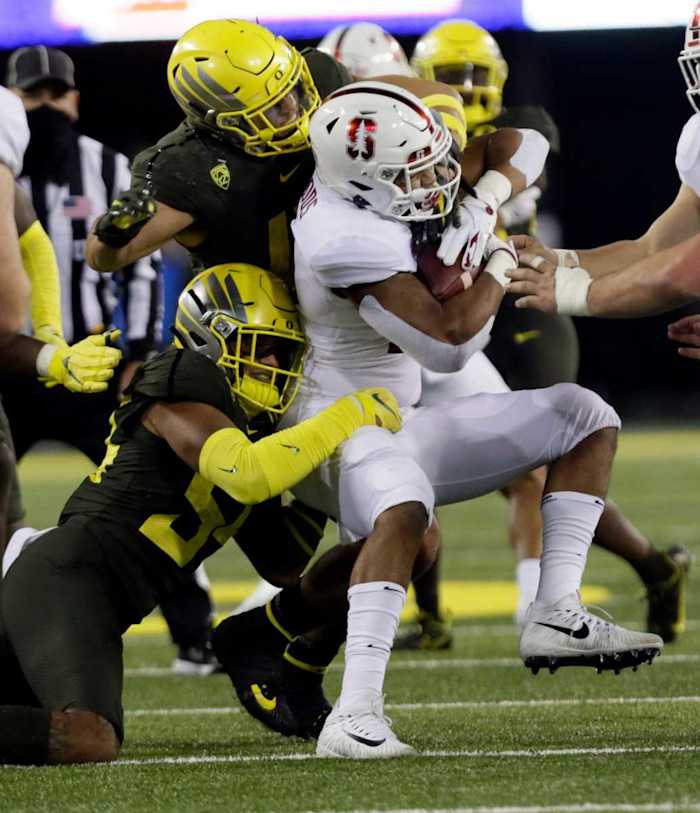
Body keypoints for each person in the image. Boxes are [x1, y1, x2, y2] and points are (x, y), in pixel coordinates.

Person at [251, 82, 662, 759]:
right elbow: (449, 342)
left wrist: (486, 197)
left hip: (398, 415)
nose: (435, 181)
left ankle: (554, 611)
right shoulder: (341, 237)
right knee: (407, 509)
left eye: (434, 163)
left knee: (585, 416)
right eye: (414, 175)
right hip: (332, 428)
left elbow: (521, 143)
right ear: (366, 187)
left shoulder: (391, 166)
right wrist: (497, 257)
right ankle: (354, 718)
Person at [0, 262, 406, 765]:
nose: (274, 364)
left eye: (283, 353)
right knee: (88, 739)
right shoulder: (180, 380)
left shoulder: (245, 429)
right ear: (213, 338)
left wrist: (317, 481)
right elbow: (248, 472)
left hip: (95, 604)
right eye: (262, 348)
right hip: (65, 577)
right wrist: (345, 416)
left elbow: (283, 562)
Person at [406, 18, 691, 647]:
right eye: (452, 75)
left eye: (477, 74)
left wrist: (571, 284)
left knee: (544, 461)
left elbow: (513, 175)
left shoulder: (522, 125)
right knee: (408, 450)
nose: (467, 87)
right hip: (452, 311)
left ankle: (543, 594)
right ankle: (430, 614)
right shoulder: (410, 132)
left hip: (523, 305)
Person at [3, 46, 222, 677]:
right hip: (14, 366)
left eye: (56, 94)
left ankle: (195, 635)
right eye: (33, 96)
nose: (47, 106)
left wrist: (139, 355)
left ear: (74, 99)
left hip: (92, 366)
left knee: (153, 493)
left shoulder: (107, 166)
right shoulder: (4, 170)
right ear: (14, 103)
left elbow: (143, 268)